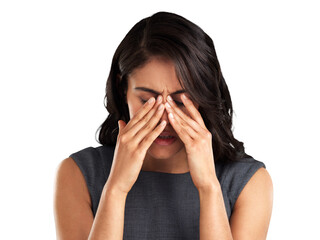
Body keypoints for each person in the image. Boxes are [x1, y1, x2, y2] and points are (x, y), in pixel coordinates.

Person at [53, 11, 273, 240]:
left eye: (180, 102)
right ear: (122, 89)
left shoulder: (248, 182)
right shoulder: (78, 174)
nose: (164, 119)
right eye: (147, 101)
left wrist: (209, 188)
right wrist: (116, 188)